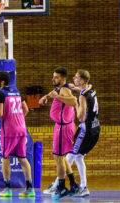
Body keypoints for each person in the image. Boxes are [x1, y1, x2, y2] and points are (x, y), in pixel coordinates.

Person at [43, 69, 100, 197]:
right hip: (95, 128)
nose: (73, 78)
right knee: (78, 156)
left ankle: (59, 184)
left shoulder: (82, 96)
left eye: (76, 77)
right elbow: (74, 88)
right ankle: (81, 186)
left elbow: (80, 117)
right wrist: (47, 96)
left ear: (82, 80)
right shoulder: (91, 88)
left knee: (68, 156)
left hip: (86, 129)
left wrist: (75, 104)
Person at [0, 71, 35, 198]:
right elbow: (26, 110)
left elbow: (0, 113)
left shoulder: (0, 93)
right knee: (22, 158)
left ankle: (7, 189)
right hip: (22, 129)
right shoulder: (16, 91)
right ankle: (30, 189)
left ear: (2, 82)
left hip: (9, 131)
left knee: (6, 158)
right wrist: (18, 119)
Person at [38, 67, 79, 199]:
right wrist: (46, 96)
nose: (53, 79)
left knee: (58, 158)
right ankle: (73, 184)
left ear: (62, 79)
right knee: (60, 157)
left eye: (56, 77)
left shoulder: (64, 89)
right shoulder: (59, 88)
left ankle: (61, 187)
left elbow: (73, 101)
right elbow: (54, 92)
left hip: (64, 127)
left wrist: (58, 97)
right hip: (60, 126)